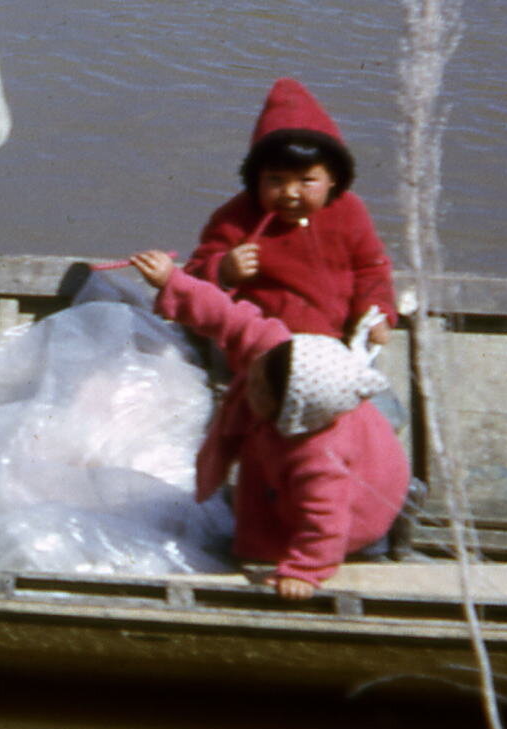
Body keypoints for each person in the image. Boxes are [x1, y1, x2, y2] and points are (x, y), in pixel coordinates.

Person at [127, 249, 407, 597]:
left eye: (260, 390)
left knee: (297, 525)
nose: (250, 382)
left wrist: (305, 571)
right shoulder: (272, 353)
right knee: (260, 503)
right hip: (305, 456)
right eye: (255, 374)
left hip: (364, 502)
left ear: (289, 412)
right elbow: (226, 317)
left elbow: (327, 523)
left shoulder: (318, 454)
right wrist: (173, 281)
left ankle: (369, 547)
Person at [184, 78, 397, 345]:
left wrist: (374, 314)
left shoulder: (350, 211)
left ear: (333, 179)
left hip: (337, 340)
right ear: (256, 179)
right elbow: (191, 280)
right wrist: (223, 271)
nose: (290, 193)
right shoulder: (235, 219)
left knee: (377, 388)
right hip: (260, 343)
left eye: (307, 181)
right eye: (275, 180)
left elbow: (371, 269)